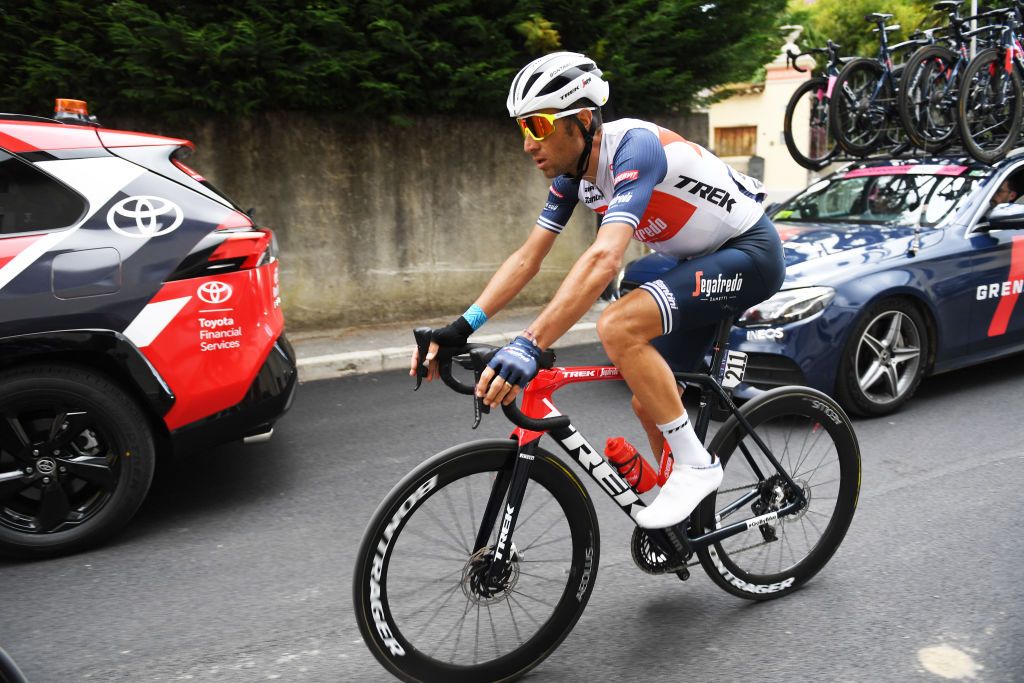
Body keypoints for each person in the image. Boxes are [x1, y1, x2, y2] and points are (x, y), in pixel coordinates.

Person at [410, 52, 786, 529]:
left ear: (582, 119)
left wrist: (531, 342)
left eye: (540, 125)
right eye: (523, 128)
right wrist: (462, 326)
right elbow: (529, 258)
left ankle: (697, 467)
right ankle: (687, 507)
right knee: (648, 396)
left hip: (750, 251)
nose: (528, 143)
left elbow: (605, 257)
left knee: (618, 325)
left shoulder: (634, 149)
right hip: (699, 260)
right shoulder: (574, 178)